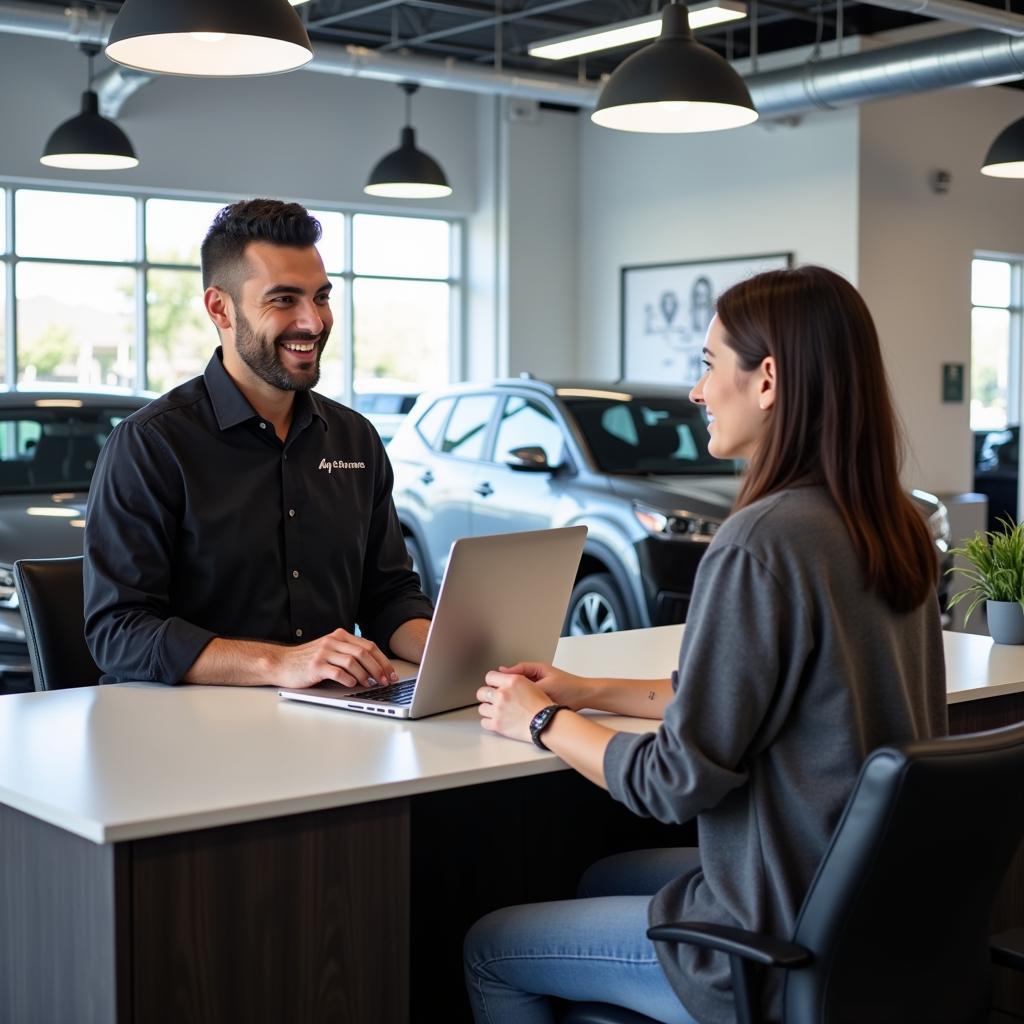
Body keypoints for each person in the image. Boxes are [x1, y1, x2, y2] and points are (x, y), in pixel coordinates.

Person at [464, 265, 947, 1024]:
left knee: (490, 946)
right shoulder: (891, 525)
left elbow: (674, 782)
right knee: (600, 876)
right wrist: (584, 691)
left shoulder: (762, 540)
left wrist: (540, 721)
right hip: (869, 904)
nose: (695, 391)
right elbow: (746, 700)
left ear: (767, 380)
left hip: (770, 939)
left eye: (707, 364)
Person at [84, 198, 433, 688]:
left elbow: (389, 596)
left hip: (333, 723)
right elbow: (118, 631)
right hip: (186, 736)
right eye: (283, 299)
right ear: (219, 308)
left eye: (321, 297)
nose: (313, 322)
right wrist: (280, 662)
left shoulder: (357, 439)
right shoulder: (150, 446)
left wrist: (454, 653)